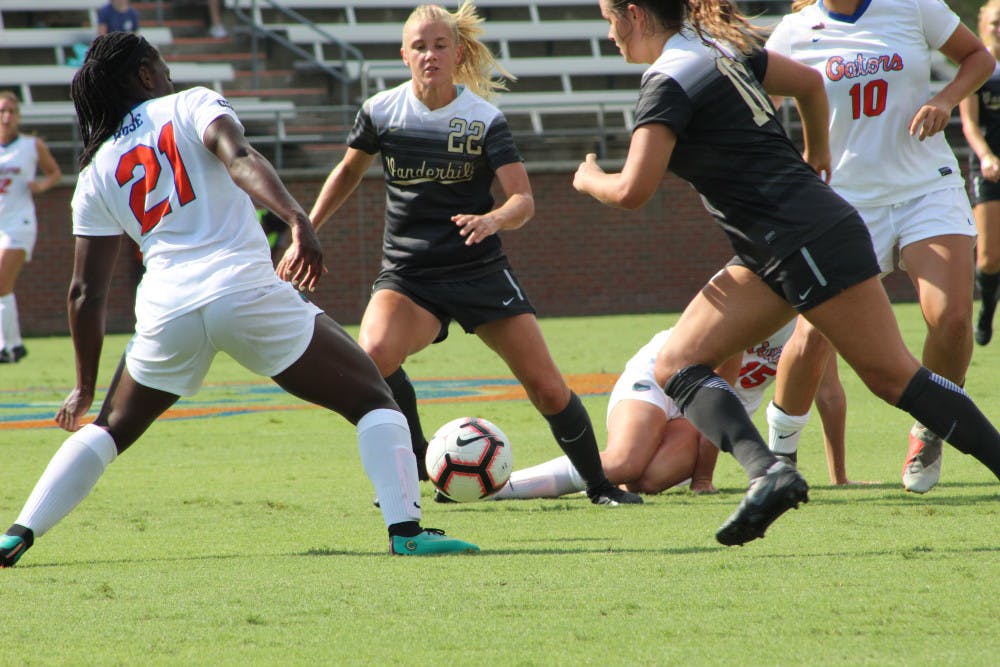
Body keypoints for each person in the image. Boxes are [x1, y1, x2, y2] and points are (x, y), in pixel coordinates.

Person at [0, 32, 479, 568]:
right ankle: (406, 531)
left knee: (109, 429)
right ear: (143, 75)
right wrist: (298, 219)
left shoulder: (95, 170)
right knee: (374, 399)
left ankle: (16, 533)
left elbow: (84, 292)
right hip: (241, 290)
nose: (169, 75)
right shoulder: (188, 104)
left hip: (167, 309)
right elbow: (240, 156)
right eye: (161, 65)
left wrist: (85, 384)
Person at [573, 0, 1000, 546]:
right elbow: (809, 84)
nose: (609, 35)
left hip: (804, 239)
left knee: (894, 377)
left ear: (633, 14)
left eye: (609, 20)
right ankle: (769, 470)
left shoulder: (669, 82)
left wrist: (589, 178)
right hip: (776, 246)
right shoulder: (721, 48)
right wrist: (817, 150)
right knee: (676, 362)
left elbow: (633, 190)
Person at [293, 1, 641, 507]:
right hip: (409, 275)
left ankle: (601, 485)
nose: (430, 54)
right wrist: (307, 227)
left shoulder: (483, 119)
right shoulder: (380, 111)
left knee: (546, 387)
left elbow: (523, 200)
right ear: (404, 55)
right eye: (420, 46)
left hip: (479, 271)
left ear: (457, 53)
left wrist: (494, 219)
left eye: (440, 45)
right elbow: (348, 172)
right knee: (374, 357)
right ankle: (414, 469)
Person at [765, 0, 994, 495]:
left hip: (923, 187)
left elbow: (978, 56)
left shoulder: (913, 6)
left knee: (952, 319)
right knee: (811, 338)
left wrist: (947, 99)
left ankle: (929, 431)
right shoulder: (795, 31)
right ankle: (779, 457)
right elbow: (758, 106)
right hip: (844, 203)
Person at [494, 319, 860, 502]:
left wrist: (839, 477)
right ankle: (496, 486)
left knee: (647, 482)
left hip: (699, 412)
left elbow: (829, 395)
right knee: (624, 463)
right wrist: (703, 479)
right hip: (659, 378)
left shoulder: (813, 321)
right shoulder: (752, 306)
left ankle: (610, 470)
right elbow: (718, 391)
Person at [0, 91, 62, 364]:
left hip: (19, 222)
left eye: (12, 111)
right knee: (4, 287)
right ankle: (14, 345)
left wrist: (42, 185)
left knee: (1, 280)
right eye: (3, 111)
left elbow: (54, 172)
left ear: (19, 116)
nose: (7, 116)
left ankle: (4, 345)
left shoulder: (31, 145)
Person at [960, 0, 1000, 348]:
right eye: (996, 22)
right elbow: (970, 124)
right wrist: (986, 156)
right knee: (988, 255)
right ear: (983, 24)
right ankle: (987, 310)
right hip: (989, 168)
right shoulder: (977, 66)